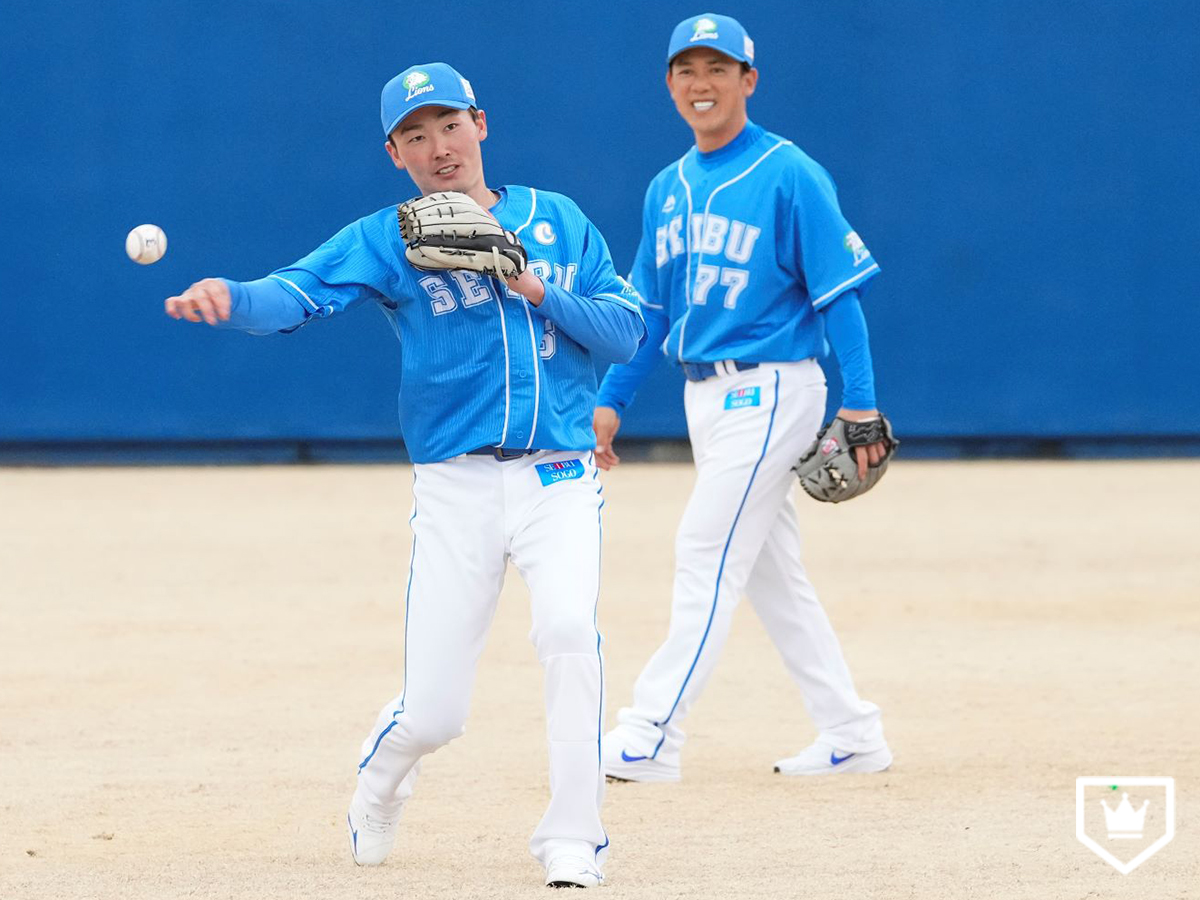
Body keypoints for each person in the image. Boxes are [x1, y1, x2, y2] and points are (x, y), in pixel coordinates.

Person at [164, 61, 644, 888]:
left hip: (559, 472)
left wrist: (535, 287)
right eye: (414, 135)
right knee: (436, 712)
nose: (438, 146)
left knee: (570, 634)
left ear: (480, 124)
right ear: (395, 153)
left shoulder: (555, 220)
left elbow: (626, 333)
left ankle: (573, 839)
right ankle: (380, 782)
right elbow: (297, 292)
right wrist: (232, 298)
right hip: (455, 486)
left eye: (449, 125)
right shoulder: (389, 237)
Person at [593, 14, 892, 783]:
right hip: (707, 399)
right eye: (687, 70)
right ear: (670, 84)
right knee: (768, 572)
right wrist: (611, 402)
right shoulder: (667, 188)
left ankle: (651, 734)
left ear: (748, 80)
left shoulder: (790, 173)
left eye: (719, 69)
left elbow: (839, 299)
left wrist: (860, 405)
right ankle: (851, 734)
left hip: (773, 388)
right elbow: (651, 314)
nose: (702, 84)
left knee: (703, 550)